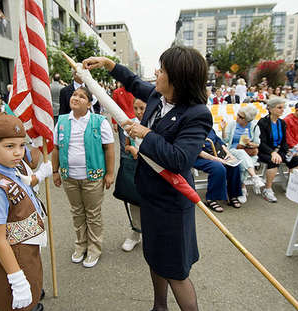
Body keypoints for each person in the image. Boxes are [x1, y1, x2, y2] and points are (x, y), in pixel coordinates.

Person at [83, 45, 212, 311]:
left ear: (177, 78)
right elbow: (132, 81)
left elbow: (179, 160)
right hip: (149, 197)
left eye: (162, 70)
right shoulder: (157, 95)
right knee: (154, 258)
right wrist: (108, 64)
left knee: (176, 270)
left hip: (172, 205)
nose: (156, 73)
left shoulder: (196, 114)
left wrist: (145, 134)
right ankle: (159, 306)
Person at [0, 114, 49, 311]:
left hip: (26, 248)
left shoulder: (10, 169)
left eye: (21, 145)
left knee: (32, 295)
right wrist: (17, 279)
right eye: (9, 146)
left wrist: (42, 173)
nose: (18, 153)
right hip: (15, 256)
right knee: (17, 304)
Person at [52, 86, 115, 268]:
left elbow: (109, 148)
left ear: (89, 103)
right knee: (77, 212)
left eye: (81, 96)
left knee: (93, 214)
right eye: (74, 95)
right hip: (69, 177)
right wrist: (55, 171)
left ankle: (94, 248)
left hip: (93, 177)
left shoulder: (99, 122)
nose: (76, 98)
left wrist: (110, 173)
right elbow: (55, 148)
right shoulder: (62, 121)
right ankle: (81, 245)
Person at [257, 98, 298, 202]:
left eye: (283, 108)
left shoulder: (282, 123)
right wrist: (272, 152)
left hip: (279, 150)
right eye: (279, 108)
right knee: (274, 160)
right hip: (265, 150)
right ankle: (267, 189)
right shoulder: (263, 122)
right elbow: (261, 142)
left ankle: (291, 187)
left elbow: (284, 142)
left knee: (296, 160)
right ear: (271, 109)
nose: (282, 110)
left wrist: (290, 151)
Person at [221, 106, 264, 203]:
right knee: (241, 154)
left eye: (241, 117)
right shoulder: (232, 124)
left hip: (248, 152)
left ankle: (242, 188)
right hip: (232, 151)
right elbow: (225, 140)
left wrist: (249, 144)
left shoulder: (254, 127)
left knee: (241, 164)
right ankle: (254, 177)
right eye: (238, 115)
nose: (237, 117)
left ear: (247, 120)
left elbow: (257, 143)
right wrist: (223, 129)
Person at [120, 98, 146, 252]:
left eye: (142, 108)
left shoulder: (157, 122)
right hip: (136, 166)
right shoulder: (131, 123)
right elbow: (127, 145)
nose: (138, 112)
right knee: (135, 200)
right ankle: (136, 233)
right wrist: (131, 150)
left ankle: (154, 234)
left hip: (155, 169)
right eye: (135, 108)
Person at [112, 81, 135, 158]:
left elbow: (114, 109)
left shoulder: (116, 92)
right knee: (135, 143)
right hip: (134, 120)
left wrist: (114, 123)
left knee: (124, 144)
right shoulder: (134, 91)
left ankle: (125, 163)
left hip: (122, 121)